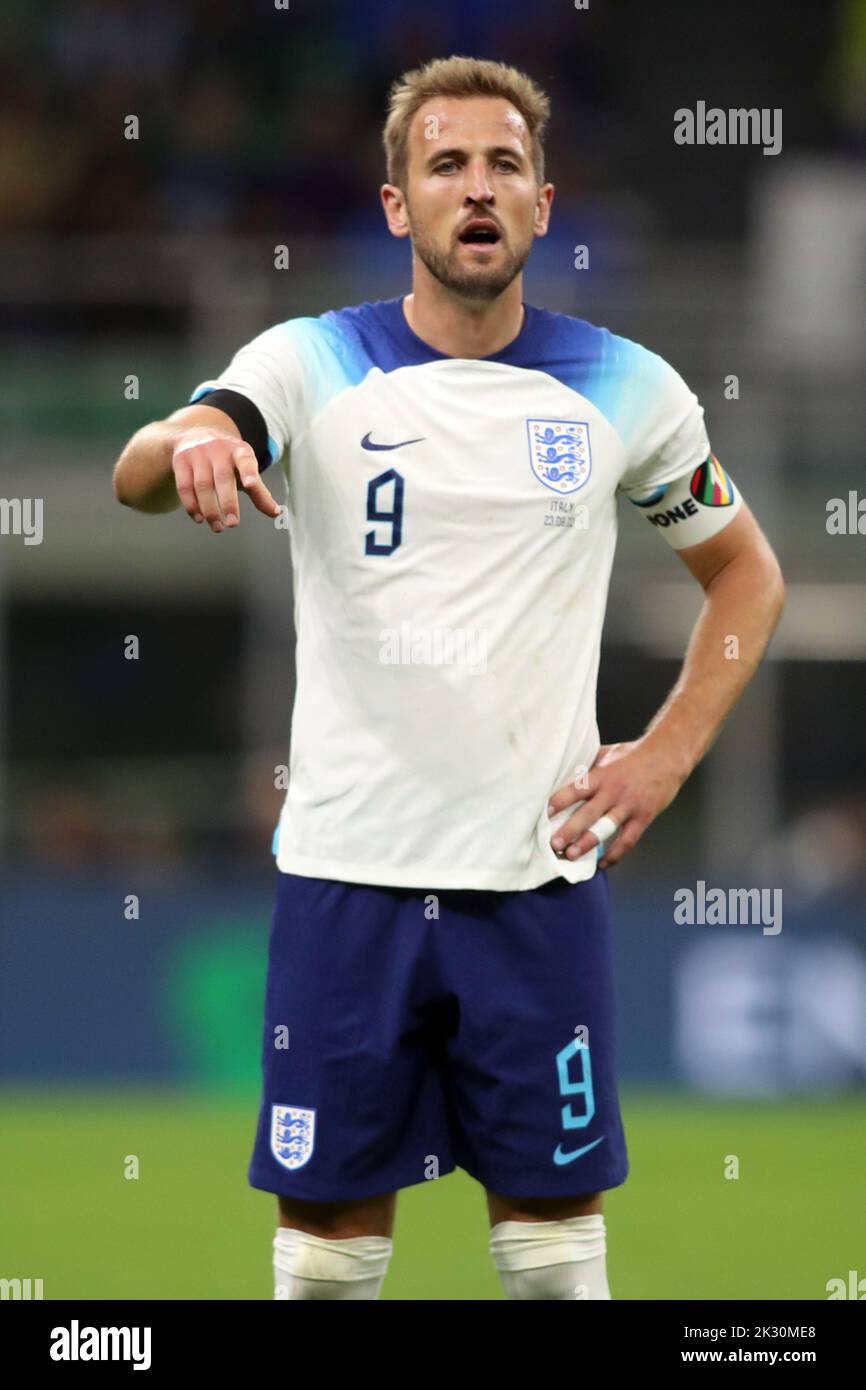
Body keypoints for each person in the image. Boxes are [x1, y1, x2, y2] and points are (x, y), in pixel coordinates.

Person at [112, 55, 785, 1300]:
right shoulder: (308, 363)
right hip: (344, 883)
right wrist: (189, 436)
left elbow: (746, 577)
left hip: (533, 886)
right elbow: (149, 465)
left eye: (502, 165)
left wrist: (666, 753)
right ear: (395, 204)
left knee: (547, 1263)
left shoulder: (627, 388)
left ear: (541, 202)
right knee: (324, 1271)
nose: (475, 188)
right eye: (444, 164)